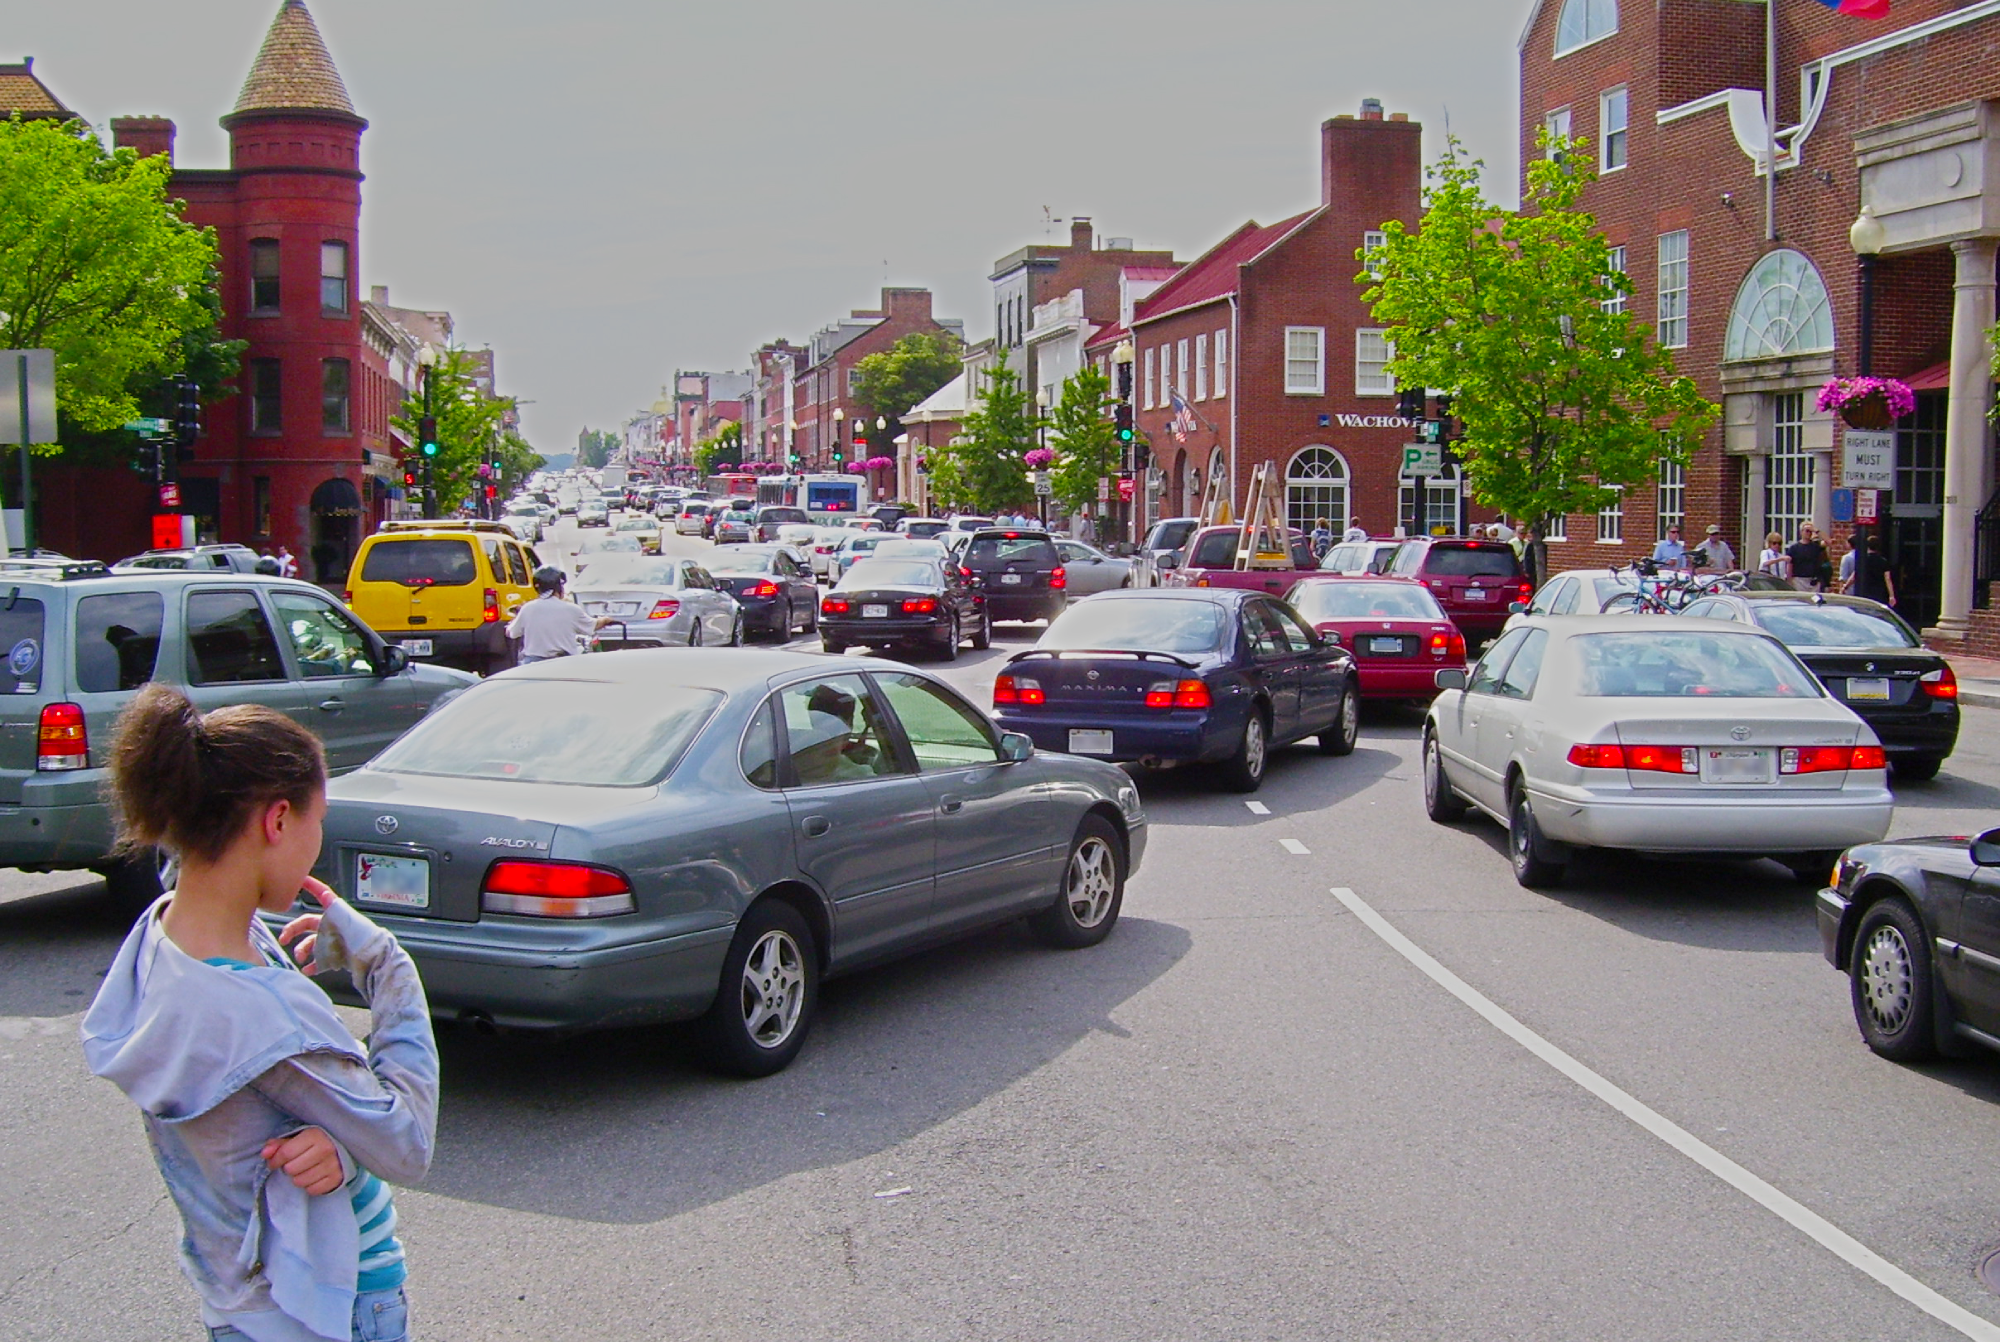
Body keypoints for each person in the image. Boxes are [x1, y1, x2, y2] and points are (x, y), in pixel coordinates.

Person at [81, 685, 437, 1342]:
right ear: (278, 820)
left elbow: (244, 1111)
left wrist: (338, 1141)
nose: (317, 840)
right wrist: (390, 969)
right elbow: (406, 1145)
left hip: (237, 1302)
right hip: (327, 1308)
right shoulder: (263, 1015)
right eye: (316, 820)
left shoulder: (161, 938)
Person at [506, 566, 610, 662]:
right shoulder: (571, 609)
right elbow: (592, 625)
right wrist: (605, 620)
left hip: (534, 663)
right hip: (565, 662)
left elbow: (511, 633)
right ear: (558, 587)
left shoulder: (527, 608)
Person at [1853, 532, 1898, 606]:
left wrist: (1845, 586)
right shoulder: (1883, 561)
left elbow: (1855, 575)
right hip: (1878, 591)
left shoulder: (1863, 560)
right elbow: (1887, 578)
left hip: (1865, 589)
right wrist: (1891, 596)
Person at [1786, 524, 1831, 591]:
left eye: (1810, 531)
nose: (1809, 533)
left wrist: (1816, 530)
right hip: (1799, 580)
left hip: (1813, 580)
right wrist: (1789, 580)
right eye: (1807, 531)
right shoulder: (1794, 548)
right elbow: (1790, 565)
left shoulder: (1816, 546)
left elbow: (1829, 542)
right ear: (1801, 532)